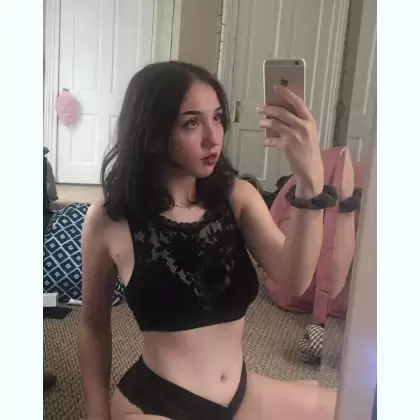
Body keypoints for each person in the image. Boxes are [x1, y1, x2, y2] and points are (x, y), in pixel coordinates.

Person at [79, 61, 338, 420]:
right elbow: (93, 324)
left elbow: (295, 279)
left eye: (217, 118)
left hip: (240, 393)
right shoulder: (109, 218)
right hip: (156, 403)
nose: (213, 137)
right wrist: (96, 414)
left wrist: (310, 182)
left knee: (361, 404)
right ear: (151, 133)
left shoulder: (238, 197)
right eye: (191, 123)